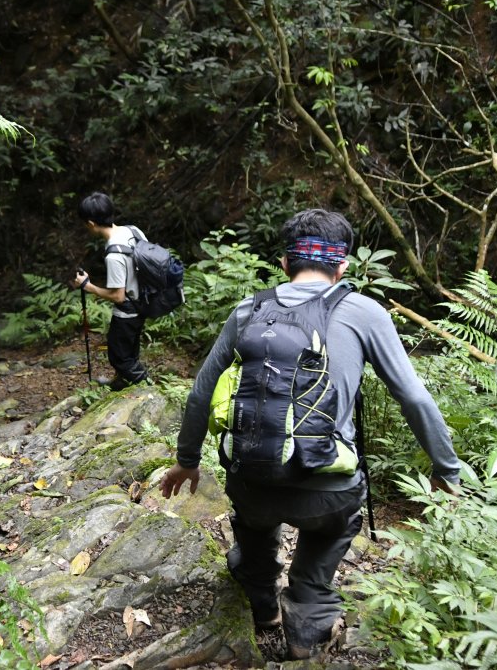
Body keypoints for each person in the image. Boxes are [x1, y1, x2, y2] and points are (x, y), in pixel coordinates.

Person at [159, 208, 460, 660]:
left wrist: (187, 460)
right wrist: (445, 469)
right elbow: (414, 399)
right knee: (334, 526)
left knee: (253, 528)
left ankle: (262, 602)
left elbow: (201, 391)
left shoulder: (248, 309)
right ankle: (307, 609)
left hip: (253, 483)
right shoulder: (364, 311)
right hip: (328, 493)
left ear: (285, 263)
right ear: (343, 266)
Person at [71, 192, 150, 389]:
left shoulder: (114, 255)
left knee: (120, 357)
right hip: (144, 302)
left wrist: (87, 286)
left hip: (128, 311)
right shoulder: (133, 231)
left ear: (90, 223)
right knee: (130, 350)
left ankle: (149, 388)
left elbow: (118, 295)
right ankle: (122, 382)